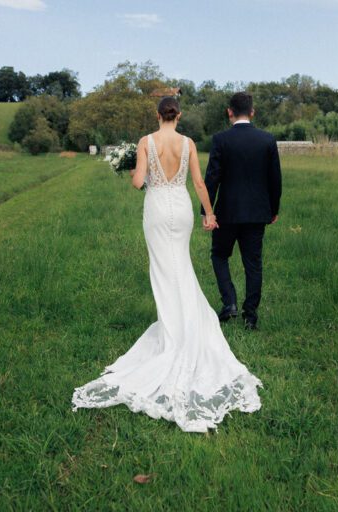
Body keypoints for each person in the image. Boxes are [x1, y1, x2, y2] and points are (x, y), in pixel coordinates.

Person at [71, 97, 262, 433]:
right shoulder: (188, 143)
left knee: (163, 271)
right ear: (180, 115)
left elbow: (138, 182)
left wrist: (132, 170)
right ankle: (186, 324)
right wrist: (210, 213)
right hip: (182, 209)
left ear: (157, 115)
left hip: (158, 209)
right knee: (181, 267)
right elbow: (200, 184)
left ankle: (173, 331)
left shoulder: (147, 142)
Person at [202, 92, 282, 330]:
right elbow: (275, 180)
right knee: (253, 264)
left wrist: (207, 211)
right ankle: (251, 316)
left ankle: (229, 303)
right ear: (252, 112)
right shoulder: (267, 140)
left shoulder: (221, 139)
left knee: (219, 256)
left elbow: (212, 178)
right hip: (258, 213)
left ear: (229, 112)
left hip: (227, 212)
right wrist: (273, 209)